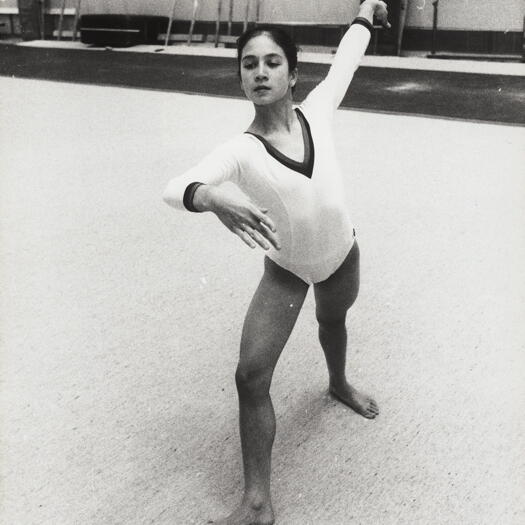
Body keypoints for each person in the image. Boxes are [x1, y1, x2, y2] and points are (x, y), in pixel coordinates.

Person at [163, 2, 390, 523]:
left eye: (271, 62)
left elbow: (348, 59)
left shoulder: (318, 110)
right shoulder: (240, 151)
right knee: (250, 375)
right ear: (240, 76)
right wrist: (213, 197)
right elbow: (173, 187)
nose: (260, 72)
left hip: (340, 256)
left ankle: (338, 382)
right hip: (286, 268)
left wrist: (364, 12)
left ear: (293, 73)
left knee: (333, 322)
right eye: (248, 64)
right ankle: (258, 500)